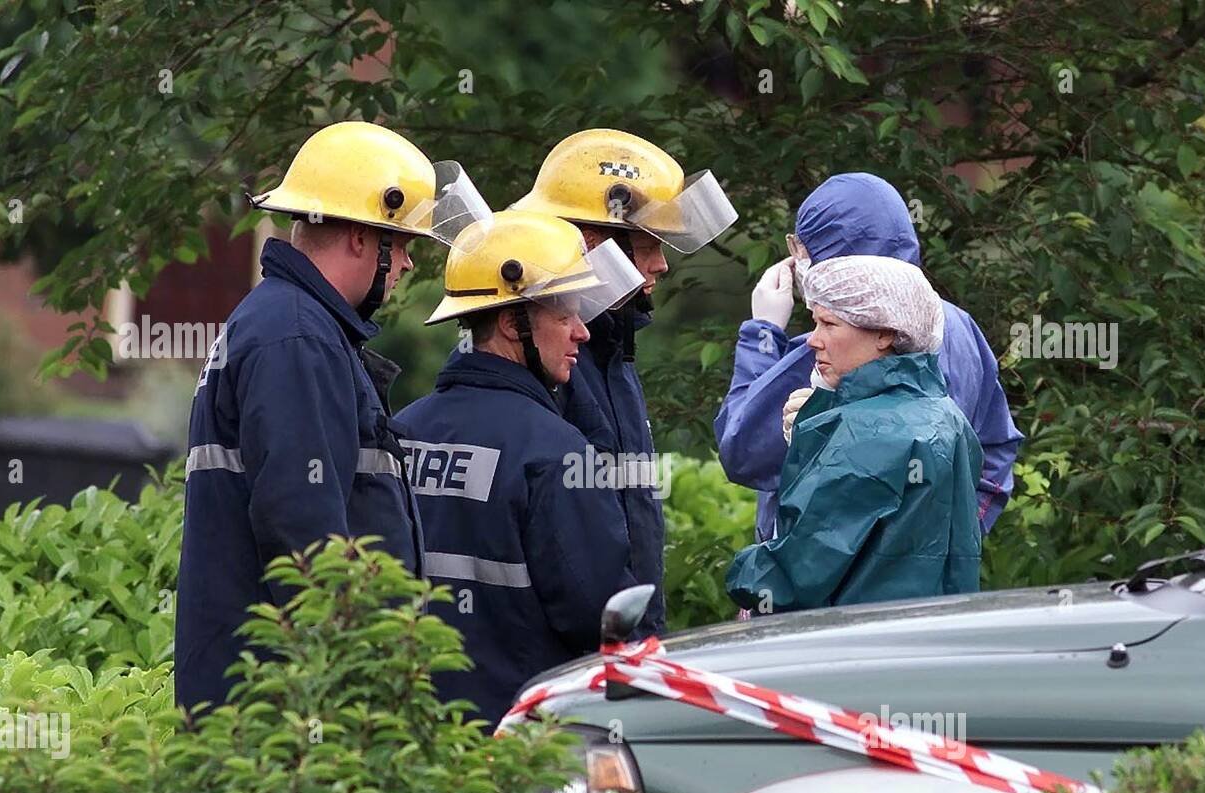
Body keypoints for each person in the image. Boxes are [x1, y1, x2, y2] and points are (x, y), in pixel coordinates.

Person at [175, 121, 487, 711]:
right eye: (406, 245)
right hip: (284, 703)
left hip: (258, 689)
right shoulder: (297, 337)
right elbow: (303, 522)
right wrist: (357, 674)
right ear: (361, 240)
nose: (408, 268)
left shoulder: (284, 323)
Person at [392, 210, 645, 720]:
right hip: (517, 745)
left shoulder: (399, 432)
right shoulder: (558, 453)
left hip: (406, 737)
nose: (583, 333)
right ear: (512, 322)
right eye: (564, 315)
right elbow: (600, 617)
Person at [510, 129, 738, 637]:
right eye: (648, 244)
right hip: (575, 660)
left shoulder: (610, 350)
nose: (661, 262)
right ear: (593, 244)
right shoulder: (548, 362)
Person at [714, 172, 1021, 543]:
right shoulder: (959, 325)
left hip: (831, 590)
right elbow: (996, 450)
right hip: (931, 582)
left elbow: (743, 450)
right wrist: (955, 539)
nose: (796, 262)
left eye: (800, 251)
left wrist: (762, 334)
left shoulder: (838, 348)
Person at [726, 254, 983, 613]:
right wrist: (819, 424)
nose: (813, 340)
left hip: (846, 647)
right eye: (815, 323)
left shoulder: (864, 434)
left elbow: (796, 574)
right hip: (926, 638)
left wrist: (744, 582)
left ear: (885, 333)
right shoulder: (947, 416)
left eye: (829, 324)